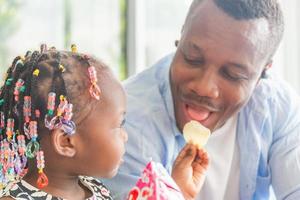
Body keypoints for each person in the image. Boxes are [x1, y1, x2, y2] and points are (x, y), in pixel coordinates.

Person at [103, 0, 300, 199]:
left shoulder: (277, 106)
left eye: (232, 74)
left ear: (262, 74)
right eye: (192, 59)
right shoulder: (123, 123)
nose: (204, 88)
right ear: (181, 37)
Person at [0, 45, 209, 200]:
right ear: (66, 141)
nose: (125, 135)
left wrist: (178, 190)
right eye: (119, 124)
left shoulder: (94, 189)